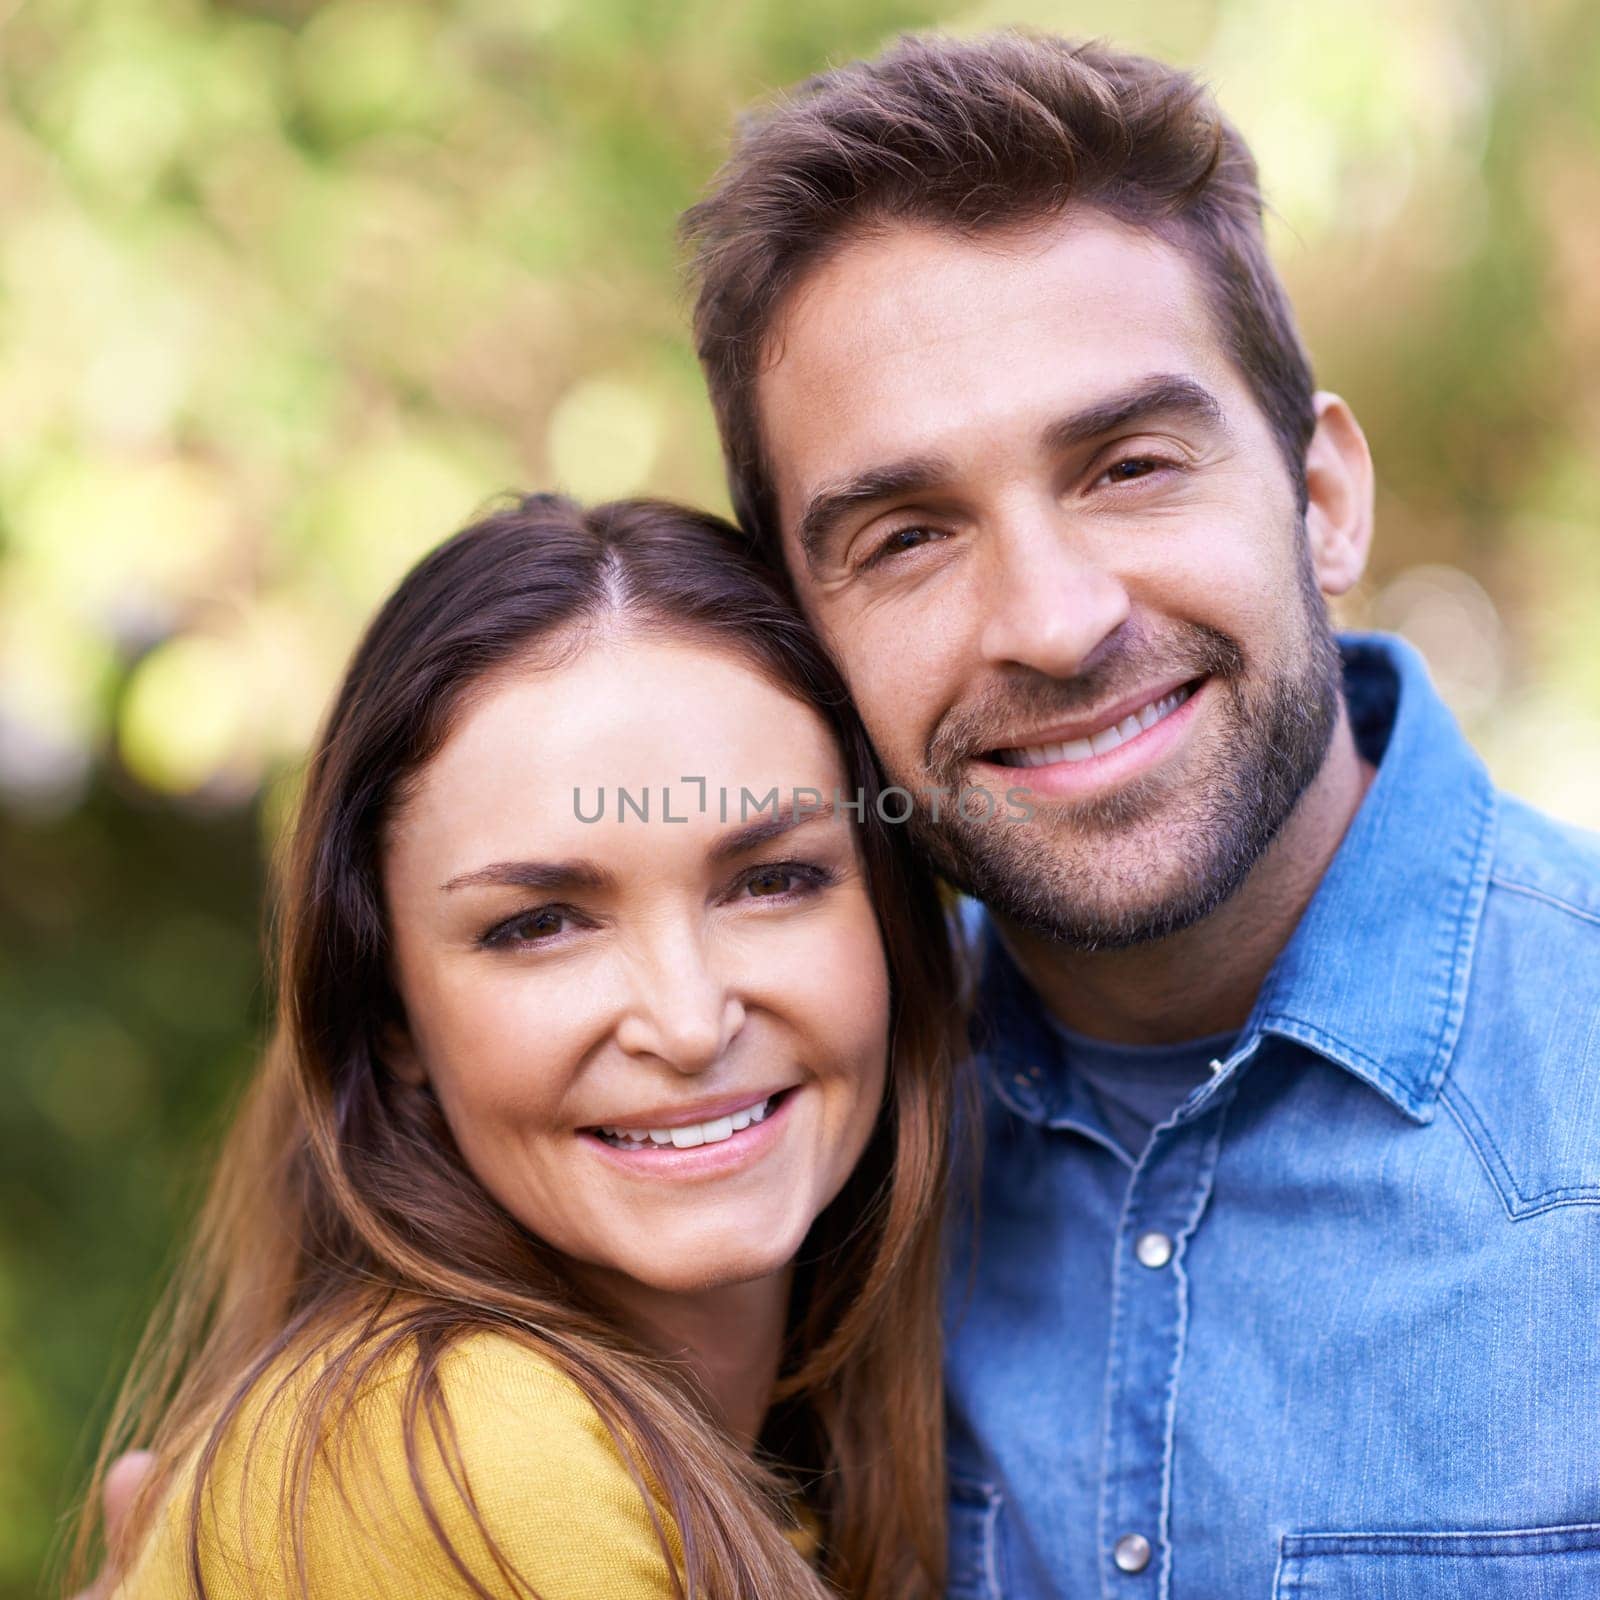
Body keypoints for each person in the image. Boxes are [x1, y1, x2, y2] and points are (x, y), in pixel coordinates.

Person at [680, 29, 1600, 1598]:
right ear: (798, 638)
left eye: (1127, 465)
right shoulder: (767, 1147)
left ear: (1322, 499)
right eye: (906, 536)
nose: (1050, 617)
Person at [69, 495, 965, 1599]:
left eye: (772, 879)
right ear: (390, 1017)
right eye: (539, 923)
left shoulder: (767, 1470)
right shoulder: (454, 1461)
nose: (688, 1023)